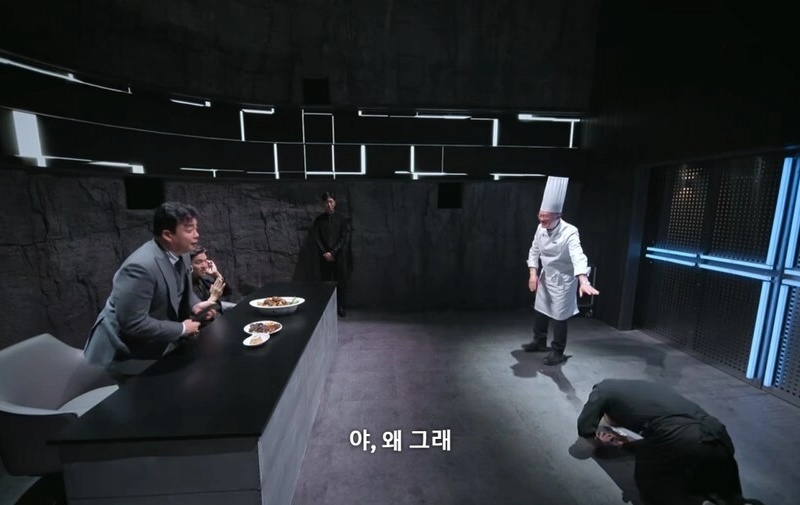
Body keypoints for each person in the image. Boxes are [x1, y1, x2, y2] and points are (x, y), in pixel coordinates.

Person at [83, 202, 217, 381]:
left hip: (158, 344)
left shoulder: (183, 253)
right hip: (126, 355)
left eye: (196, 228)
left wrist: (196, 306)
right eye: (189, 229)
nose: (197, 234)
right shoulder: (140, 268)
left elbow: (182, 290)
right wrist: (182, 328)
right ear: (168, 235)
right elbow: (133, 323)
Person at [577, 379, 760, 505]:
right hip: (717, 433)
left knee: (651, 485)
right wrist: (627, 443)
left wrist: (595, 442)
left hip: (684, 438)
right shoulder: (645, 392)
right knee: (727, 494)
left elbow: (585, 426)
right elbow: (666, 438)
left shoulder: (603, 390)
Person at [522, 176, 599, 365]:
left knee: (559, 316)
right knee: (540, 310)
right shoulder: (540, 228)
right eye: (540, 215)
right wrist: (533, 273)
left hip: (563, 280)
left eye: (546, 217)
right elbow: (534, 250)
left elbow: (578, 256)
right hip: (546, 276)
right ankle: (539, 341)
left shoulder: (570, 232)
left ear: (558, 216)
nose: (542, 220)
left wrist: (583, 280)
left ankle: (557, 351)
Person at [311, 191, 351, 317]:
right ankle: (327, 308)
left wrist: (333, 252)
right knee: (326, 283)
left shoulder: (341, 219)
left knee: (341, 282)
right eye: (326, 202)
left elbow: (344, 238)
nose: (329, 205)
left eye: (331, 202)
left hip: (339, 256)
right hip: (324, 257)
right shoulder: (319, 220)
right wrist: (325, 253)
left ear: (335, 203)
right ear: (323, 204)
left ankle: (340, 307)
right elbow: (316, 237)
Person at [190, 246, 235, 313]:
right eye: (199, 262)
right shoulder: (187, 286)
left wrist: (216, 274)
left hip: (218, 308)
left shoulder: (203, 279)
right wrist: (213, 297)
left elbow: (227, 292)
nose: (204, 266)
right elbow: (198, 313)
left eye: (205, 261)